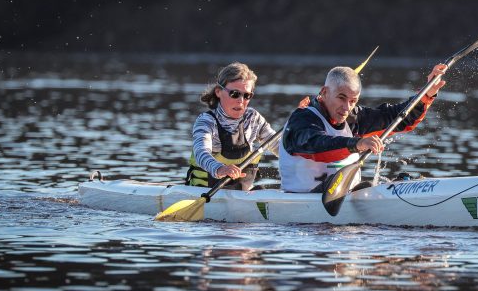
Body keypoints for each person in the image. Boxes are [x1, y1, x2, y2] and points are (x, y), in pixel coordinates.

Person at [279, 63, 448, 193]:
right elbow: (316, 147)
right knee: (358, 186)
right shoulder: (301, 120)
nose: (347, 107)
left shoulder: (354, 118)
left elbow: (398, 117)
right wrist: (357, 144)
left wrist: (427, 93)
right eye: (341, 98)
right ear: (324, 92)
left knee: (398, 180)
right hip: (303, 202)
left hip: (343, 199)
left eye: (353, 101)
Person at [186, 62, 277, 191]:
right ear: (218, 92)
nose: (241, 100)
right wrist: (220, 169)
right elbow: (201, 152)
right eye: (235, 94)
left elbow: (280, 146)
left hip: (241, 195)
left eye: (247, 95)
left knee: (261, 188)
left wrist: (302, 153)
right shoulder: (206, 121)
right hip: (203, 192)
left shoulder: (253, 119)